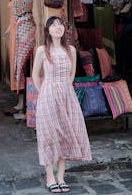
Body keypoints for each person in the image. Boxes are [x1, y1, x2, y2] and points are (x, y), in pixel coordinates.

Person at [32, 16, 92, 193]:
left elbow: (72, 74)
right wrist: (43, 91)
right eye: (53, 25)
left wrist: (64, 88)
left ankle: (61, 177)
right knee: (50, 135)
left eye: (60, 25)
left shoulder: (71, 50)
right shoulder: (42, 50)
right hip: (48, 95)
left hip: (66, 95)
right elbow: (36, 75)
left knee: (65, 132)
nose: (57, 28)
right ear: (48, 30)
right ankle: (50, 177)